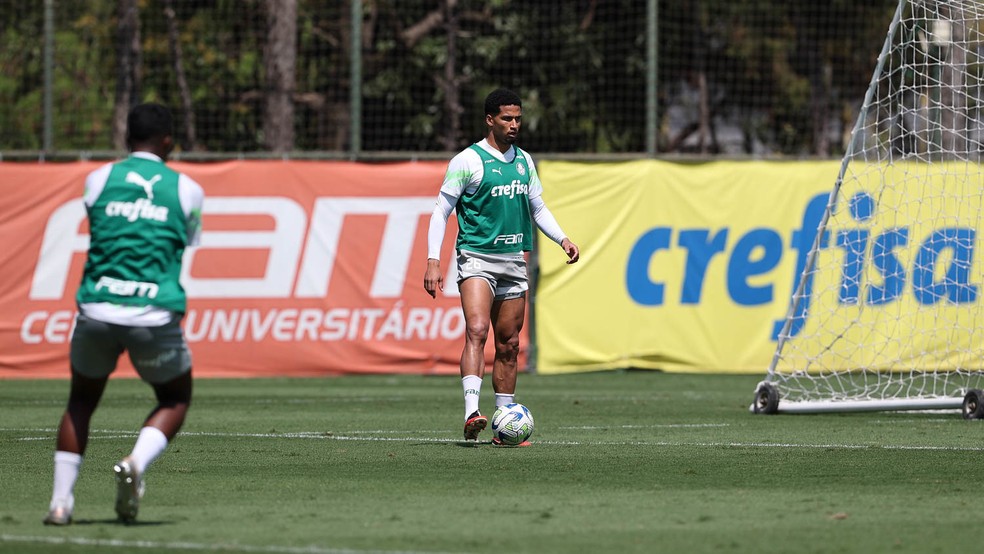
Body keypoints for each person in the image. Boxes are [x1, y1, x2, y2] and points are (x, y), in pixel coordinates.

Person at [43, 103, 204, 525]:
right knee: (175, 398)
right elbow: (187, 241)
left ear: (126, 137)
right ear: (168, 141)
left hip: (97, 309)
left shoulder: (98, 179)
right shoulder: (187, 188)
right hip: (153, 314)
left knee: (81, 400)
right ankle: (135, 462)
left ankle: (60, 504)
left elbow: (99, 224)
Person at [423, 88, 579, 446]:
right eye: (507, 118)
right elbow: (441, 210)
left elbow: (537, 207)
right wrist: (433, 260)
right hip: (476, 257)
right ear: (489, 120)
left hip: (513, 260)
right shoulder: (467, 160)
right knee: (477, 329)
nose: (514, 124)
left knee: (509, 344)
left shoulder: (524, 161)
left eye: (518, 118)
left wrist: (562, 238)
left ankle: (504, 422)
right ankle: (471, 413)